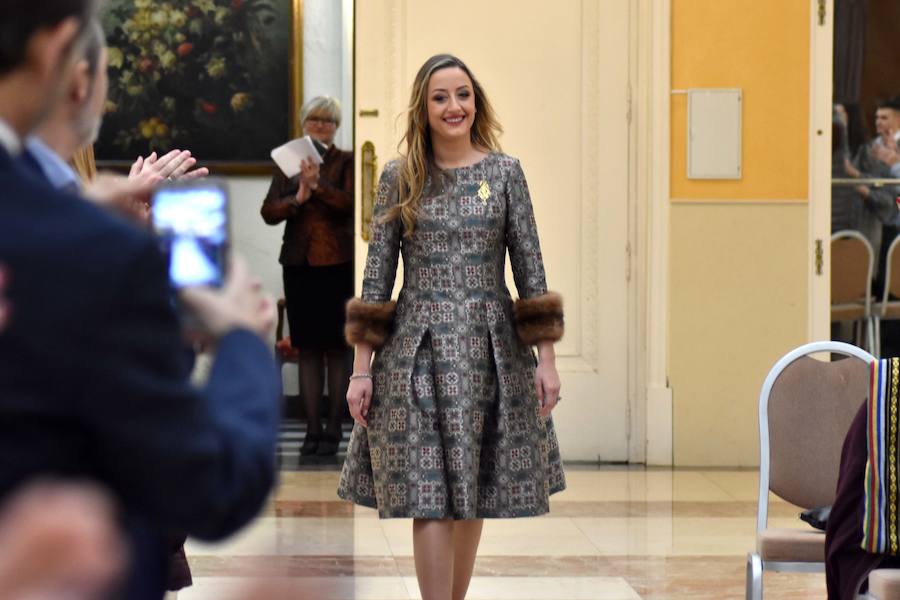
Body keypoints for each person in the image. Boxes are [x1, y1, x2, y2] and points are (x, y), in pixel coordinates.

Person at [0, 3, 281, 599]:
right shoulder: (95, 254)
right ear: (64, 56)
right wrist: (241, 342)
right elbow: (210, 484)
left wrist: (77, 210)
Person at [337, 54, 566, 600]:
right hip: (416, 352)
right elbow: (376, 281)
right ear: (423, 108)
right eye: (440, 97)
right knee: (427, 494)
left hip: (491, 351)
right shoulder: (400, 176)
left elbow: (530, 269)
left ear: (476, 102)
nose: (453, 106)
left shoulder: (504, 173)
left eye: (462, 94)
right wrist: (360, 371)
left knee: (472, 491)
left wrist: (547, 361)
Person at [261, 96, 354, 457]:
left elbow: (350, 204)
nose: (321, 126)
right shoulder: (287, 161)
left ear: (336, 125)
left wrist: (318, 187)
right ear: (303, 124)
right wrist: (299, 195)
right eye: (314, 120)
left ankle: (334, 427)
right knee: (308, 346)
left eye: (328, 121)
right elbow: (269, 211)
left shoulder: (346, 160)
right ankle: (311, 428)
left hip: (338, 263)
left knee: (336, 346)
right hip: (298, 264)